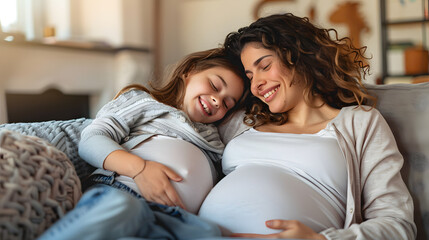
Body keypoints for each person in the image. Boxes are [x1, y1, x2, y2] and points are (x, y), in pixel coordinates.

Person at [197, 13, 417, 240]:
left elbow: (397, 224)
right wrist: (155, 166)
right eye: (250, 76)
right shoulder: (242, 120)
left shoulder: (359, 123)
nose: (256, 86)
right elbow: (175, 124)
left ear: (299, 57)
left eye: (264, 66)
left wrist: (321, 239)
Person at [38, 47, 247, 240]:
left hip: (170, 219)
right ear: (190, 71)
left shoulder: (216, 141)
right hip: (122, 192)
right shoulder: (146, 103)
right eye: (215, 85)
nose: (218, 101)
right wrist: (140, 169)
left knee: (208, 232)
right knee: (125, 208)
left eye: (227, 103)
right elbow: (91, 140)